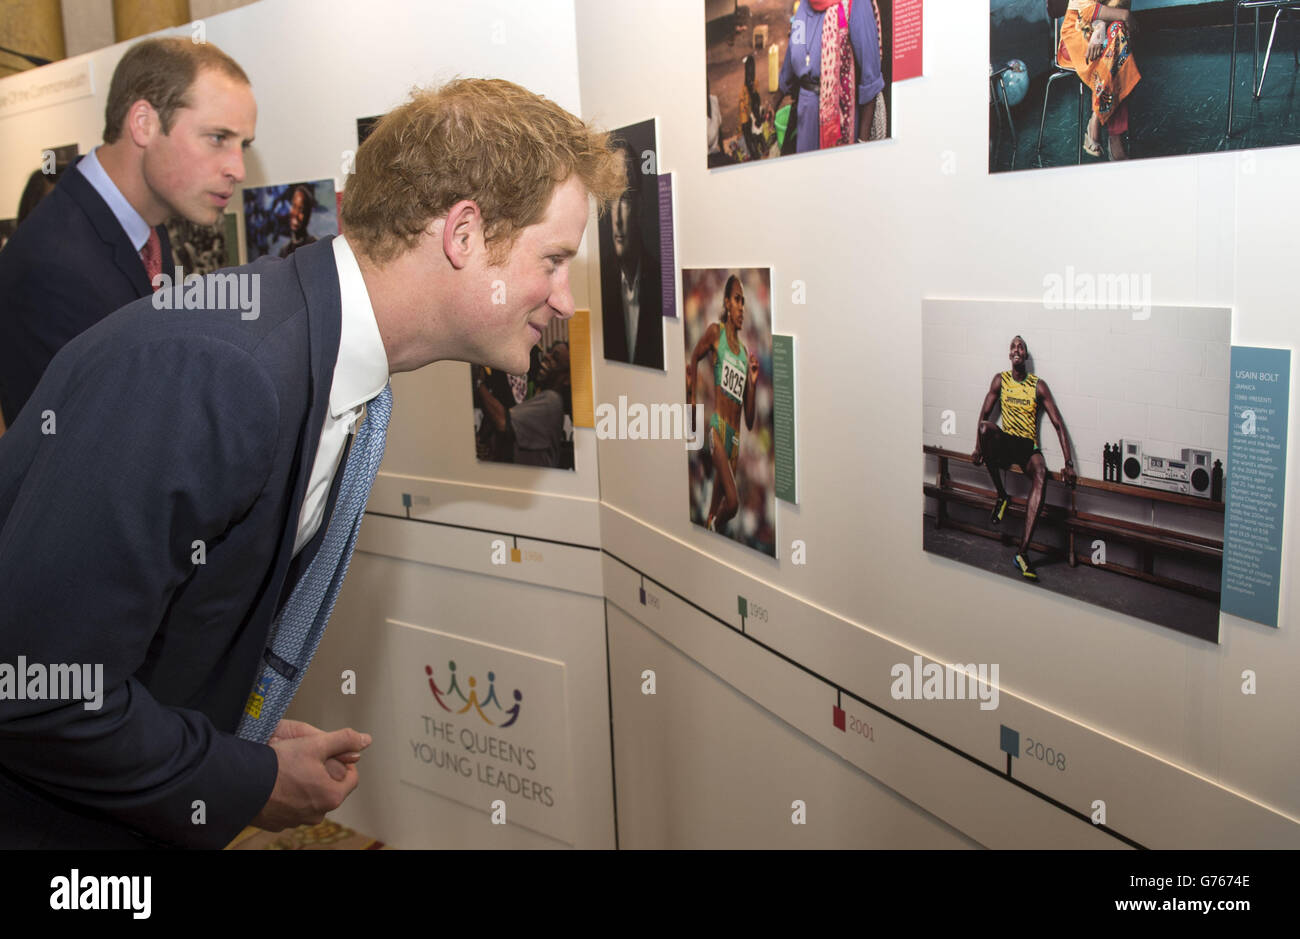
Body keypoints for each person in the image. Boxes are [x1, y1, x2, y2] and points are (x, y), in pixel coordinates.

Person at [0, 77, 624, 848]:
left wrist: (234, 741)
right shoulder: (218, 371)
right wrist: (245, 779)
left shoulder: (324, 362)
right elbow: (36, 692)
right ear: (464, 235)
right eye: (554, 259)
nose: (565, 298)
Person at [0, 37, 256, 427]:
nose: (237, 169)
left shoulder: (149, 232)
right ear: (144, 124)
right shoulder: (51, 264)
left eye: (244, 145)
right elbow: (79, 455)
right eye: (218, 138)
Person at [971, 336, 1078, 581]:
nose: (1017, 349)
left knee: (1041, 474)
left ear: (1025, 356)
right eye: (1013, 346)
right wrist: (977, 447)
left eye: (1021, 346)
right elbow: (983, 415)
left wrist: (1069, 464)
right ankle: (1001, 496)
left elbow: (1058, 424)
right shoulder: (1001, 380)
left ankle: (1023, 552)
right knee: (986, 429)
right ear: (1010, 355)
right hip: (1006, 440)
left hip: (1027, 445)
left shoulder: (1038, 385)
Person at [687, 275, 760, 533]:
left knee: (714, 513)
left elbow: (750, 420)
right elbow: (694, 358)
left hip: (736, 441)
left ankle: (710, 525)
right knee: (733, 503)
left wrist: (751, 382)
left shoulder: (743, 352)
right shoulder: (714, 333)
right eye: (738, 300)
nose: (742, 307)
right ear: (727, 303)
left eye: (744, 302)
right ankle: (713, 525)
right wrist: (691, 400)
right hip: (717, 429)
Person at [775, 0, 885, 153]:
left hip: (840, 119)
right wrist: (774, 102)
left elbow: (870, 80)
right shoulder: (804, 5)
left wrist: (862, 146)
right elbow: (792, 56)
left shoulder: (857, 4)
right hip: (806, 115)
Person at [599, 140, 663, 369]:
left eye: (624, 199)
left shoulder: (659, 280)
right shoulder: (600, 281)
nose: (616, 218)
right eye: (611, 199)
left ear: (640, 205)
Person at [1060, 0, 1140, 160]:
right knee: (1117, 49)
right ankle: (1115, 140)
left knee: (1117, 35)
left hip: (1106, 28)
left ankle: (1096, 117)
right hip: (1077, 31)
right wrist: (1124, 15)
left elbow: (1119, 6)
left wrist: (1102, 25)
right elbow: (1088, 11)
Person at [475, 341, 573, 468]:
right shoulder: (540, 396)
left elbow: (502, 421)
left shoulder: (551, 400)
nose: (546, 357)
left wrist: (479, 383)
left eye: (555, 358)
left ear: (566, 379)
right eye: (549, 352)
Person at [278, 183, 318, 257]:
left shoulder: (314, 246)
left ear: (308, 215)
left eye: (301, 210)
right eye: (294, 206)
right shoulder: (284, 251)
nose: (295, 213)